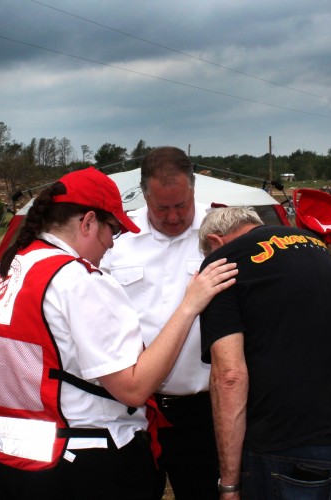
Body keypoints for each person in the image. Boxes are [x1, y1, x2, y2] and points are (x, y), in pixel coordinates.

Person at [0, 167, 237, 500]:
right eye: (111, 229)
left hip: (10, 454)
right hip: (83, 458)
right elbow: (134, 387)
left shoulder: (2, 273)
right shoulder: (78, 281)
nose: (112, 243)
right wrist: (189, 306)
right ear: (87, 222)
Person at [198, 196, 331, 499]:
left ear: (217, 241)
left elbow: (229, 376)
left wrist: (228, 484)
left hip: (283, 446)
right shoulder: (312, 245)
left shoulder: (224, 262)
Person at [101, 146, 219, 499]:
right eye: (161, 208)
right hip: (132, 413)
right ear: (145, 195)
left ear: (194, 190)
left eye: (181, 205)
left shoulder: (221, 233)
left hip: (203, 412)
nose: (172, 217)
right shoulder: (116, 238)